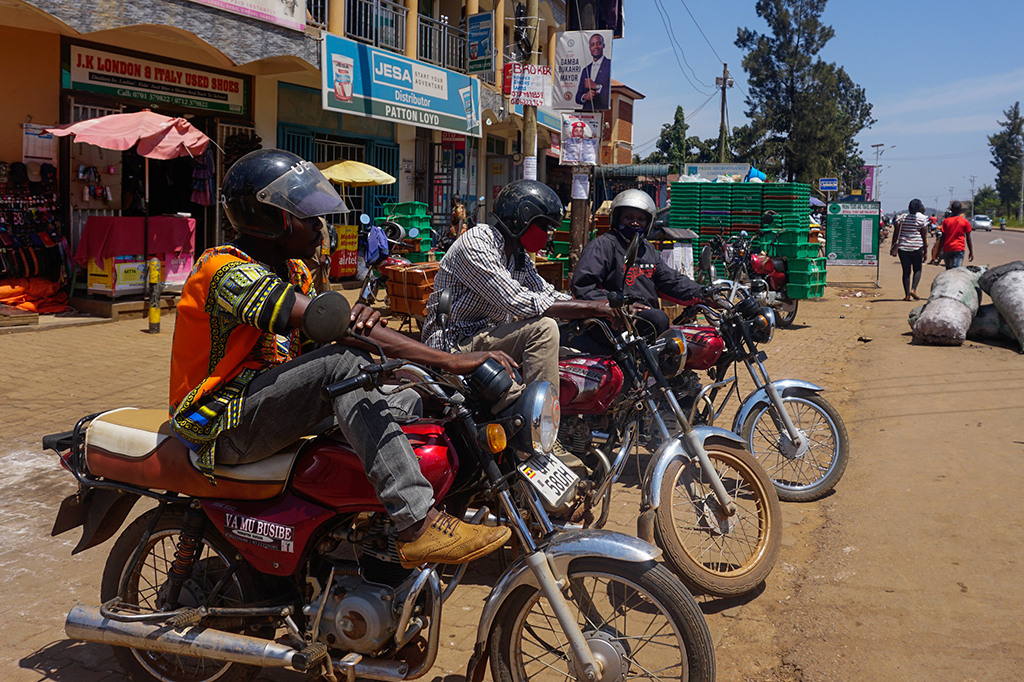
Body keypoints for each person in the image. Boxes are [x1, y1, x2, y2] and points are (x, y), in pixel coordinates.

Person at [169, 149, 514, 568]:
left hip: (270, 408)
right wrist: (448, 360)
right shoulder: (226, 271)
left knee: (410, 397)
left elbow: (332, 332)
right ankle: (415, 523)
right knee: (344, 365)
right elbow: (333, 333)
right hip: (222, 424)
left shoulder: (294, 270)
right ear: (270, 219)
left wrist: (407, 364)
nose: (320, 228)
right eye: (308, 218)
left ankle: (366, 533)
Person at [419, 180, 619, 468]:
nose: (549, 234)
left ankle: (542, 421)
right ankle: (539, 427)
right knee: (544, 328)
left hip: (487, 337)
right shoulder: (477, 242)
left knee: (563, 341)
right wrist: (592, 307)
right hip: (454, 345)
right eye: (545, 226)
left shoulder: (519, 257)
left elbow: (546, 293)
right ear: (522, 218)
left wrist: (599, 309)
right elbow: (518, 301)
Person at [570, 189, 704, 346]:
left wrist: (702, 293)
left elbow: (669, 279)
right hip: (613, 322)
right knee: (658, 318)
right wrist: (619, 306)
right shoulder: (602, 246)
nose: (635, 222)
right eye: (628, 217)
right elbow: (583, 288)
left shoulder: (646, 248)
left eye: (641, 219)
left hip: (644, 321)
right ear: (617, 217)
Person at [889, 199, 929, 301]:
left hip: (903, 247)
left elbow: (896, 233)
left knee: (906, 271)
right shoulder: (922, 219)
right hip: (917, 247)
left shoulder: (901, 218)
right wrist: (925, 251)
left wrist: (893, 246)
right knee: (918, 269)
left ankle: (907, 295)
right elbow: (924, 236)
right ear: (919, 209)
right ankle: (913, 289)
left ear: (908, 208)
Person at [575, 33, 611, 111]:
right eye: (592, 44)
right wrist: (584, 96)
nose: (595, 47)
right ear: (589, 48)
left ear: (603, 45)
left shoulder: (609, 65)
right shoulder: (586, 70)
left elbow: (611, 93)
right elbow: (577, 97)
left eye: (598, 44)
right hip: (586, 114)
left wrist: (596, 86)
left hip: (602, 112)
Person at [937, 201, 974, 269]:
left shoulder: (946, 221)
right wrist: (971, 252)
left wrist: (938, 251)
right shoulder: (965, 221)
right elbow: (968, 238)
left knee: (948, 271)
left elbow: (943, 237)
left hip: (947, 249)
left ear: (951, 210)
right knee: (956, 271)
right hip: (959, 248)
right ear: (961, 210)